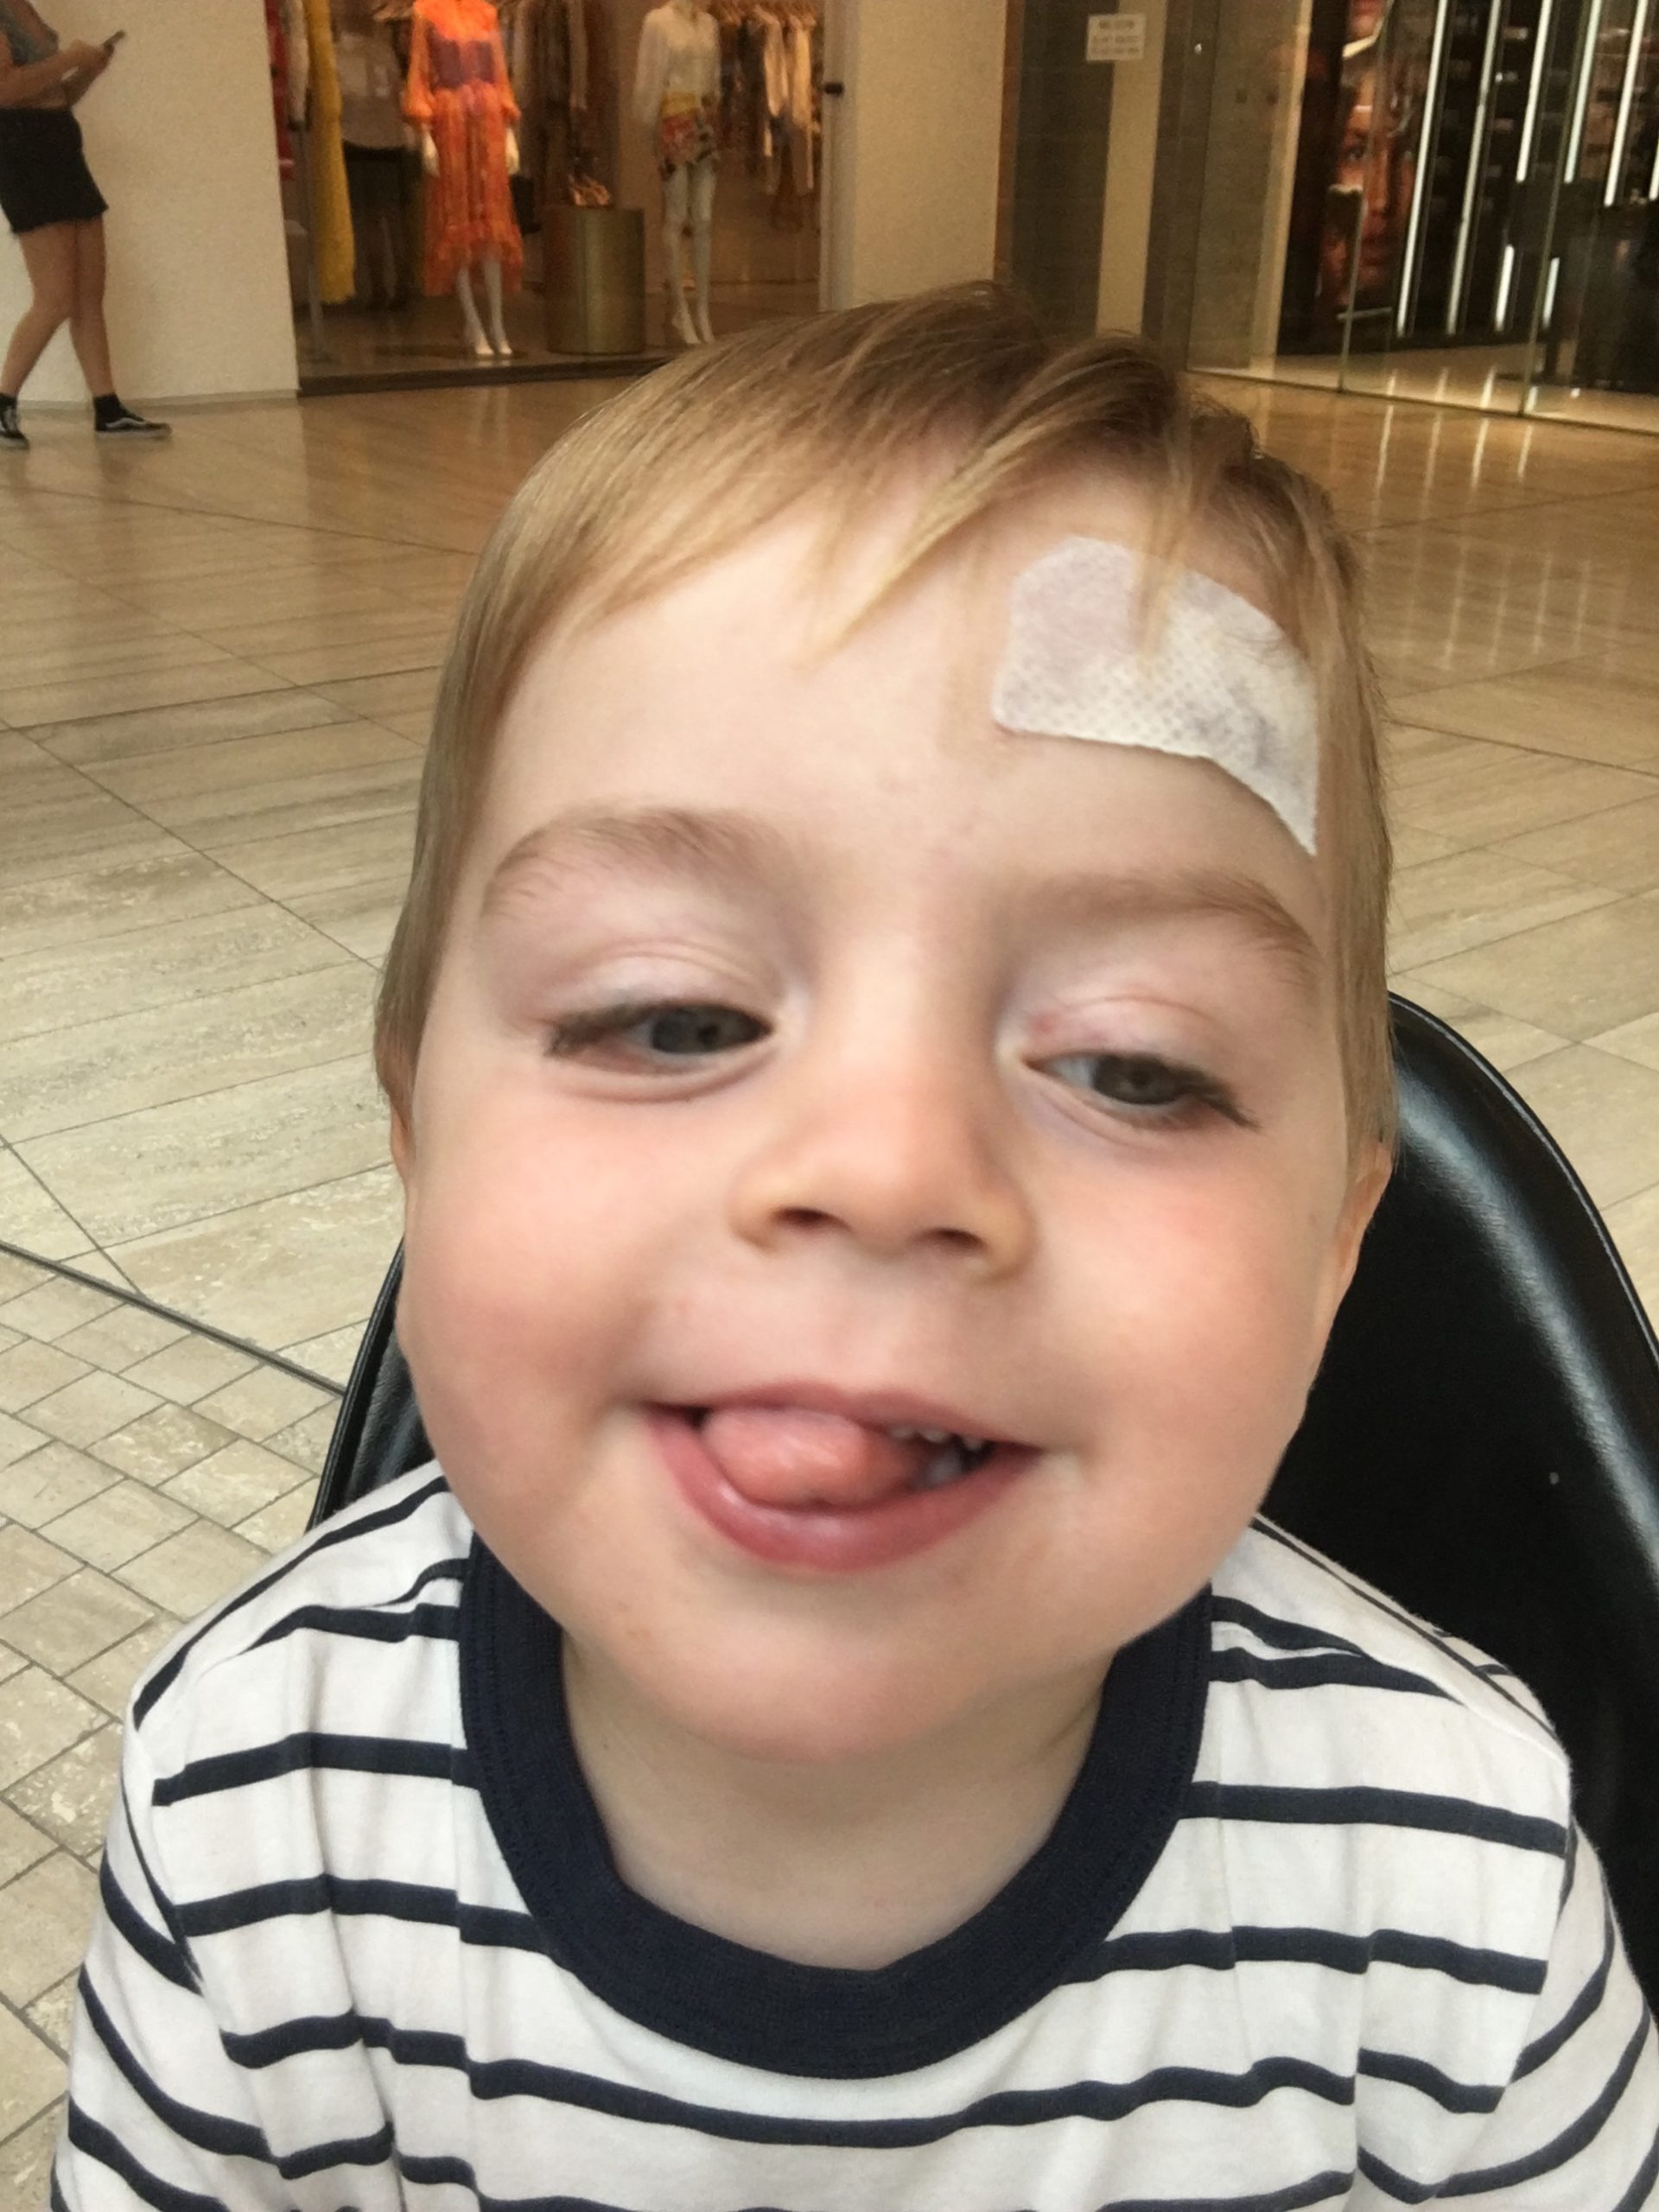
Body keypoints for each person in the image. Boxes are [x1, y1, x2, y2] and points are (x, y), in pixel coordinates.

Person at [52, 287, 1659, 2207]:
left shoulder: (1462, 1896)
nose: (890, 1167)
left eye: (1134, 1064)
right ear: (415, 1138)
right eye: (672, 1015)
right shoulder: (255, 1809)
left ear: (1336, 1245)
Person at [0, 3, 167, 448]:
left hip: (59, 143)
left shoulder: (24, 7)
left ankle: (108, 409)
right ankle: (2, 402)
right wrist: (71, 56)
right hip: (22, 150)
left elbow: (56, 95)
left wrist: (88, 71)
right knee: (54, 298)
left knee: (88, 295)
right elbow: (6, 90)